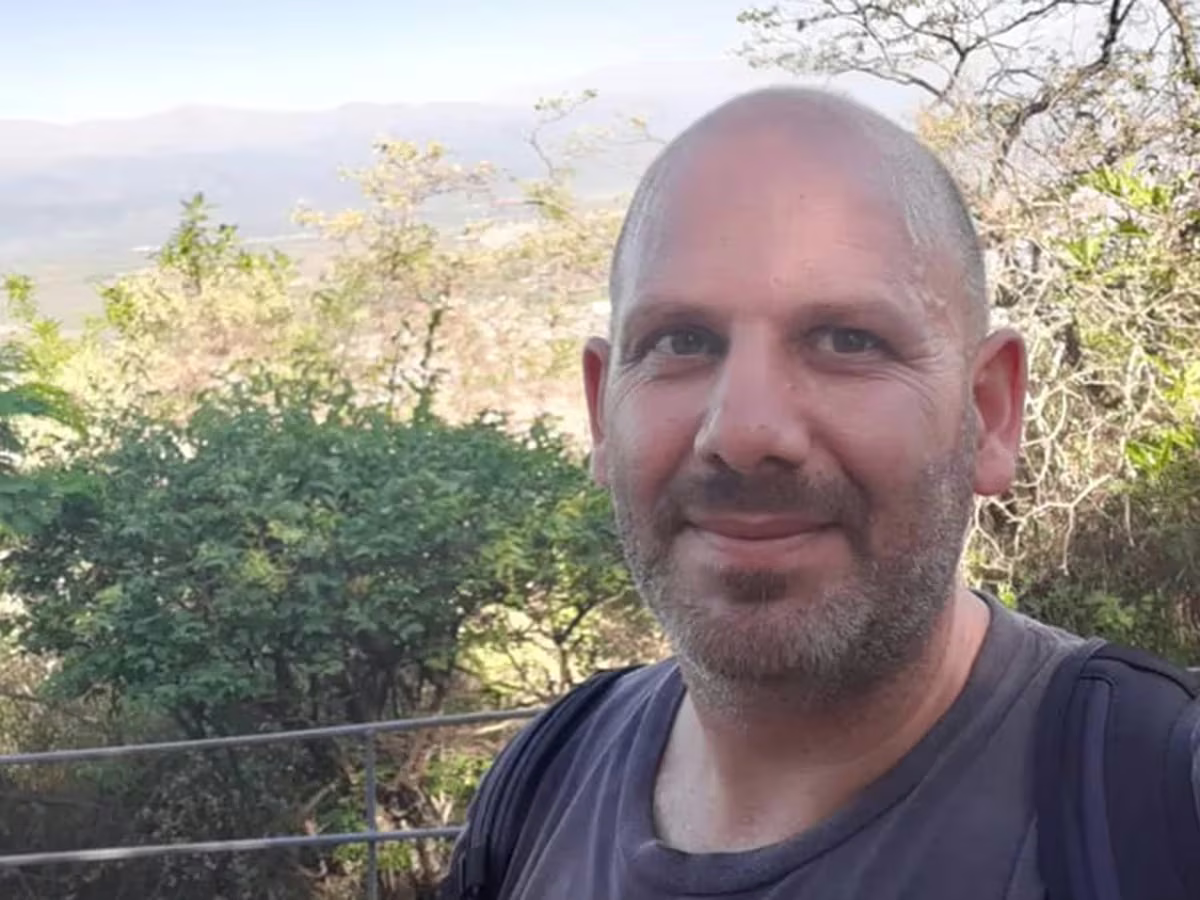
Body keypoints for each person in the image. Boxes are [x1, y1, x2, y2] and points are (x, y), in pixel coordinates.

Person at [441, 86, 1200, 899]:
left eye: (848, 340)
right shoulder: (543, 783)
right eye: (682, 341)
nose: (745, 432)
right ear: (601, 412)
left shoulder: (1160, 804)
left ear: (988, 413)